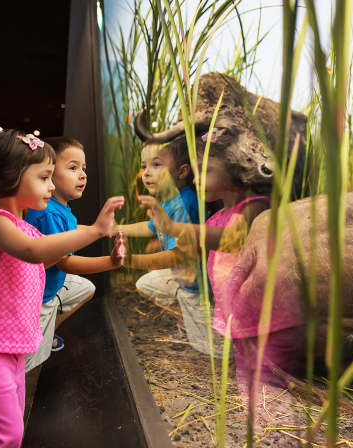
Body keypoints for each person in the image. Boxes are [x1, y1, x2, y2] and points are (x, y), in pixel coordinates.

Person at [0, 129, 124, 448]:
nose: (50, 186)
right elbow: (35, 252)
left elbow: (46, 256)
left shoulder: (24, 226)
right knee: (3, 436)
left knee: (11, 431)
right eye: (44, 177)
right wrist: (97, 231)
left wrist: (109, 259)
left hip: (13, 345)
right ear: (9, 179)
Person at [136, 129, 271, 370]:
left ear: (237, 170)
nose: (196, 181)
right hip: (219, 302)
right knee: (210, 350)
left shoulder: (254, 207)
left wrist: (172, 227)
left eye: (205, 171)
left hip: (245, 308)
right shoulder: (215, 217)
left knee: (219, 354)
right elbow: (201, 248)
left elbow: (232, 239)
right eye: (196, 172)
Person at [24, 137, 124, 373]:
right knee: (27, 364)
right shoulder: (47, 213)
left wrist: (96, 232)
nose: (82, 175)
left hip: (50, 284)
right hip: (37, 298)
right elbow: (66, 262)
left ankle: (47, 333)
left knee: (85, 289)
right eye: (72, 168)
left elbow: (68, 233)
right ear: (47, 175)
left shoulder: (59, 208)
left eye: (83, 168)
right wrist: (110, 262)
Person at [114, 136, 209, 354]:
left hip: (197, 285)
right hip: (180, 276)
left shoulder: (184, 205)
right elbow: (149, 227)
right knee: (145, 284)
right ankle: (185, 316)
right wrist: (117, 228)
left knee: (206, 349)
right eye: (144, 166)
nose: (146, 172)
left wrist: (133, 261)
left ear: (182, 172)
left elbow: (178, 256)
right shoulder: (169, 200)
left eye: (156, 164)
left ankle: (193, 320)